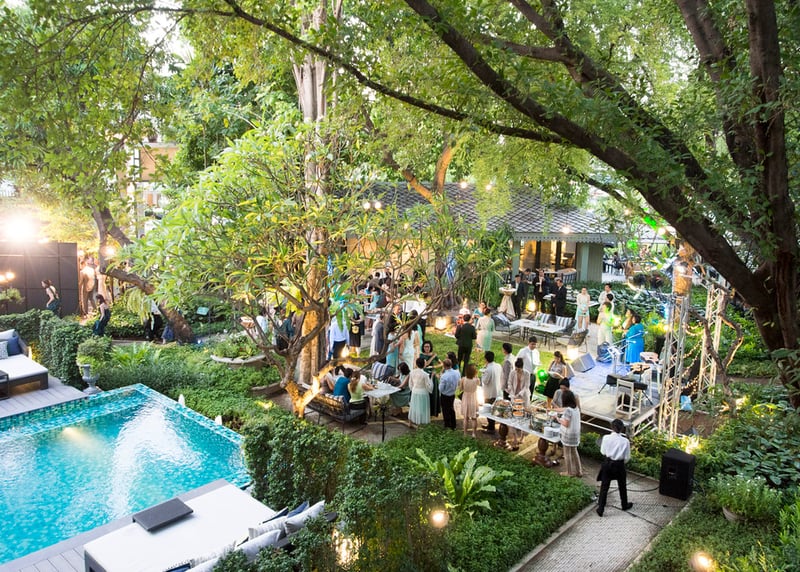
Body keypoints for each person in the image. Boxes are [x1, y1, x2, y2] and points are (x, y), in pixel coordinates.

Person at [596, 419, 633, 516]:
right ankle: (624, 504)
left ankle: (601, 508)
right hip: (619, 465)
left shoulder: (606, 438)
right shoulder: (625, 441)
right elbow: (627, 457)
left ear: (611, 427)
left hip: (608, 463)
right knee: (622, 486)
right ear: (622, 429)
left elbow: (603, 452)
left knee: (604, 487)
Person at [503, 358, 530, 451]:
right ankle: (514, 438)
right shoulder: (513, 373)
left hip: (523, 397)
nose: (517, 370)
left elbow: (526, 386)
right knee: (513, 416)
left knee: (524, 417)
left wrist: (520, 394)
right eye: (516, 369)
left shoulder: (526, 374)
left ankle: (522, 437)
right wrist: (511, 391)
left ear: (522, 367)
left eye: (519, 369)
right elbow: (509, 382)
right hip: (514, 396)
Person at [557, 390, 582, 477]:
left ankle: (569, 472)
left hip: (569, 434)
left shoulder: (568, 410)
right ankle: (579, 471)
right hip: (576, 433)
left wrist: (558, 419)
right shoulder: (576, 408)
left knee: (567, 453)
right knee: (574, 451)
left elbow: (566, 424)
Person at [480, 351, 502, 434]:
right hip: (497, 391)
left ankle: (491, 428)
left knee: (489, 410)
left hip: (489, 392)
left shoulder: (488, 369)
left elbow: (485, 381)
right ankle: (490, 425)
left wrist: (483, 373)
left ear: (486, 359)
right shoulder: (498, 365)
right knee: (493, 409)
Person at [408, 357, 433, 426]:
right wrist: (431, 378)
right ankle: (420, 423)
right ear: (424, 365)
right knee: (422, 408)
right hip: (423, 393)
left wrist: (413, 389)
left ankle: (410, 422)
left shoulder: (412, 372)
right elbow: (428, 386)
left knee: (413, 407)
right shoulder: (425, 374)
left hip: (415, 391)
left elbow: (410, 384)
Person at [420, 340, 442, 417]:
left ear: (430, 347)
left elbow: (441, 363)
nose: (427, 348)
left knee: (433, 392)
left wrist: (434, 366)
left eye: (428, 347)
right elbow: (426, 364)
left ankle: (433, 410)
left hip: (432, 374)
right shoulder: (421, 355)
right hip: (424, 374)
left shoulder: (433, 354)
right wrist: (433, 357)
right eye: (425, 346)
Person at [438, 358, 460, 430]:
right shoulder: (457, 373)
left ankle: (447, 425)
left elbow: (440, 388)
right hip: (452, 394)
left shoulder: (444, 376)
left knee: (445, 410)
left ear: (444, 366)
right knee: (451, 409)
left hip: (445, 395)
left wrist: (439, 378)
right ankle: (453, 424)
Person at [459, 364, 480, 437]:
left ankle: (465, 433)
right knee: (474, 418)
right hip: (474, 398)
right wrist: (476, 376)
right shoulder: (476, 380)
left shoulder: (463, 379)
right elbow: (478, 384)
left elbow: (460, 389)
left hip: (465, 398)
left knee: (465, 418)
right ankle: (474, 433)